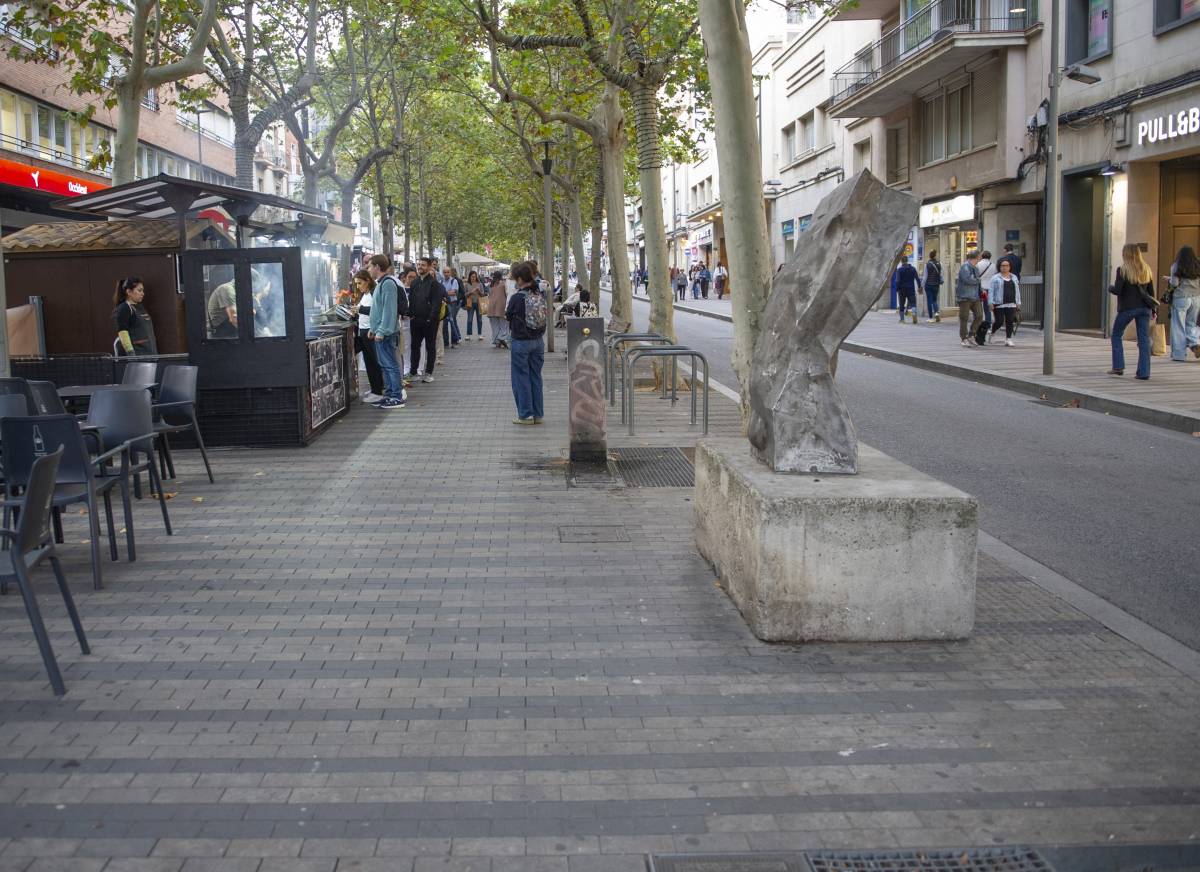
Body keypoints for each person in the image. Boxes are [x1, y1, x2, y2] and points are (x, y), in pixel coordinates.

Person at [1108, 243, 1158, 380]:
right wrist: (1153, 309)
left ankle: (1118, 366)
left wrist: (1109, 287)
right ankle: (1144, 372)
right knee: (1144, 340)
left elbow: (1118, 291)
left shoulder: (1122, 270)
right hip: (1144, 309)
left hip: (1128, 308)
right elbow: (1150, 293)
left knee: (1116, 334)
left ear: (1126, 254)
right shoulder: (1146, 269)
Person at [506, 261, 546, 425]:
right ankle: (538, 414)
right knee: (536, 376)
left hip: (521, 342)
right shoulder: (539, 294)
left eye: (516, 279)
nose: (515, 281)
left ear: (521, 280)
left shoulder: (517, 297)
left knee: (521, 378)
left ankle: (526, 414)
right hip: (538, 341)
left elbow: (508, 315)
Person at [365, 254, 407, 409]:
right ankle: (390, 394)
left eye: (369, 266)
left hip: (387, 333)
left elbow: (389, 310)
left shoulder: (387, 284)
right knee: (385, 364)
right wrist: (374, 329)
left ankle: (396, 396)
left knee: (390, 365)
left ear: (377, 267)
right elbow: (380, 309)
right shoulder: (381, 283)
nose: (368, 269)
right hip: (381, 332)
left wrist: (381, 330)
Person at [408, 257, 445, 382]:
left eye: (423, 265)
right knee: (414, 346)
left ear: (429, 267)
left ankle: (429, 373)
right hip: (416, 320)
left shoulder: (435, 284)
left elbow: (437, 304)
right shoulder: (414, 282)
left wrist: (431, 319)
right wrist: (411, 314)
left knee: (430, 347)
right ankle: (413, 372)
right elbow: (412, 301)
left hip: (430, 322)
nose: (420, 267)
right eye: (418, 264)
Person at [352, 269, 384, 402]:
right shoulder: (364, 295)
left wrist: (360, 310)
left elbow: (376, 310)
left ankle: (379, 390)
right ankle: (375, 389)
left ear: (367, 281)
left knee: (374, 362)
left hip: (370, 331)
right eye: (357, 284)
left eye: (360, 283)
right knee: (369, 361)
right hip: (363, 331)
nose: (358, 286)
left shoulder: (373, 294)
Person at [1167, 245, 1200, 362]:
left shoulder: (1176, 266)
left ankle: (1179, 354)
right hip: (1196, 298)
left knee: (1178, 325)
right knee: (1191, 323)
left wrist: (1169, 279)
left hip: (1181, 298)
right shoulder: (1197, 264)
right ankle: (1196, 343)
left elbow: (1175, 283)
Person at [112, 276, 158, 356]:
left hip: (150, 355)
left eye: (142, 290)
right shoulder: (124, 308)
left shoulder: (140, 307)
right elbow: (123, 332)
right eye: (139, 290)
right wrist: (130, 353)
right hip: (138, 357)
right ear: (129, 292)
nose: (143, 293)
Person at [987, 258, 1021, 346]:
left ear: (1010, 267)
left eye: (1007, 266)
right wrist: (990, 302)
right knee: (999, 321)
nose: (1004, 267)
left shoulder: (1014, 277)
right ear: (999, 267)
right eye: (1002, 266)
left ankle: (1008, 339)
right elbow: (991, 290)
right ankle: (993, 332)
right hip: (999, 303)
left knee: (1010, 321)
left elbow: (1017, 290)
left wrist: (1018, 302)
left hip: (1011, 302)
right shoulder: (995, 278)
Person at [956, 251, 983, 347]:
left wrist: (981, 290)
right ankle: (964, 338)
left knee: (979, 315)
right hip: (965, 296)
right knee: (964, 317)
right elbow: (967, 279)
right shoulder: (965, 267)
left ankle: (972, 334)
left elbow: (976, 281)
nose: (980, 258)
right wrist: (977, 280)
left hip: (975, 296)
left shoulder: (975, 268)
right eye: (979, 256)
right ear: (976, 257)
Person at [205, 273, 238, 339]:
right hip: (220, 333)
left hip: (228, 330)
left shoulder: (234, 290)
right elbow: (234, 319)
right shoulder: (227, 289)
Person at [893, 256, 921, 324]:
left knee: (901, 304)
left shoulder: (899, 270)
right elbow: (917, 278)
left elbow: (897, 281)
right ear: (907, 260)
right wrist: (919, 287)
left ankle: (902, 319)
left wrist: (897, 288)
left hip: (902, 289)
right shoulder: (913, 269)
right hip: (911, 288)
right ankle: (914, 313)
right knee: (913, 303)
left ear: (901, 261)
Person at [975, 250, 995, 343]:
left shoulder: (978, 265)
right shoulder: (993, 265)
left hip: (981, 288)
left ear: (982, 256)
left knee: (979, 308)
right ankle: (988, 326)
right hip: (990, 288)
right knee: (988, 309)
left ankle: (979, 325)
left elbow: (976, 276)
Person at [486, 269, 509, 348]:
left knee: (494, 325)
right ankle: (501, 337)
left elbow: (489, 295)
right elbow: (507, 294)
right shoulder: (503, 284)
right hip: (501, 306)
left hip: (491, 307)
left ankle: (496, 341)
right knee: (503, 324)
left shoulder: (491, 285)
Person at [442, 266, 463, 348]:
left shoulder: (454, 281)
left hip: (452, 303)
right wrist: (447, 292)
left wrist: (444, 293)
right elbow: (442, 292)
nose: (446, 274)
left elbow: (454, 292)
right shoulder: (441, 281)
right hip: (444, 304)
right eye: (445, 272)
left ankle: (454, 341)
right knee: (444, 323)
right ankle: (445, 342)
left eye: (448, 272)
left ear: (450, 273)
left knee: (452, 321)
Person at [463, 269, 485, 341]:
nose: (473, 278)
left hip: (478, 303)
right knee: (469, 319)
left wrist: (478, 291)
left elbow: (483, 295)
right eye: (472, 277)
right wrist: (471, 292)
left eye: (475, 277)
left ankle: (480, 334)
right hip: (470, 303)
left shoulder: (480, 284)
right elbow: (465, 295)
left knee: (479, 320)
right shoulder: (467, 285)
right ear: (469, 277)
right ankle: (468, 334)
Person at [923, 252, 943, 323]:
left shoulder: (927, 264)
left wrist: (922, 285)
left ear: (929, 256)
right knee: (934, 300)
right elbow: (941, 274)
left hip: (928, 285)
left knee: (929, 301)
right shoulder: (940, 263)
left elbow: (925, 277)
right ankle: (936, 313)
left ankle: (931, 317)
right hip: (936, 284)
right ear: (935, 255)